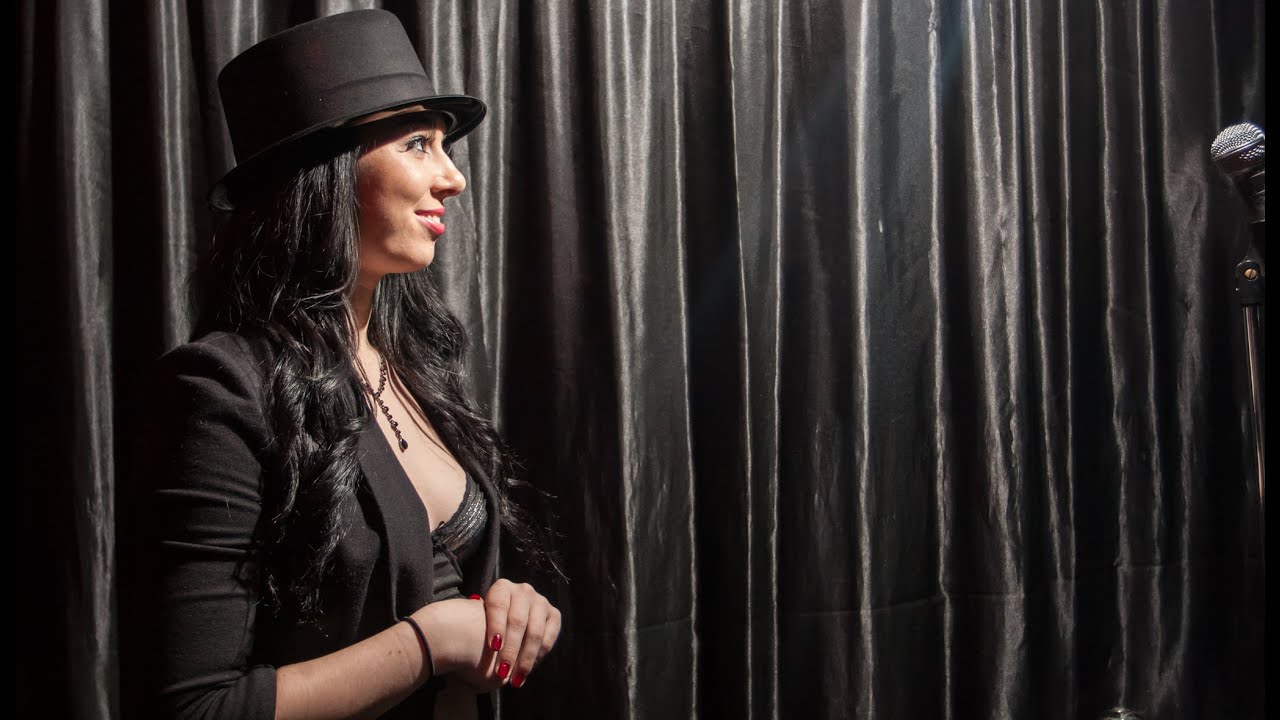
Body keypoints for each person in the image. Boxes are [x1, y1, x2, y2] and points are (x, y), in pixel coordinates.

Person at [121, 10, 560, 719]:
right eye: (417, 144)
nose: (453, 178)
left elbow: (440, 582)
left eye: (444, 146)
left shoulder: (415, 366)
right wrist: (429, 643)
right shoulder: (220, 390)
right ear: (325, 175)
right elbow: (194, 707)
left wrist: (505, 610)